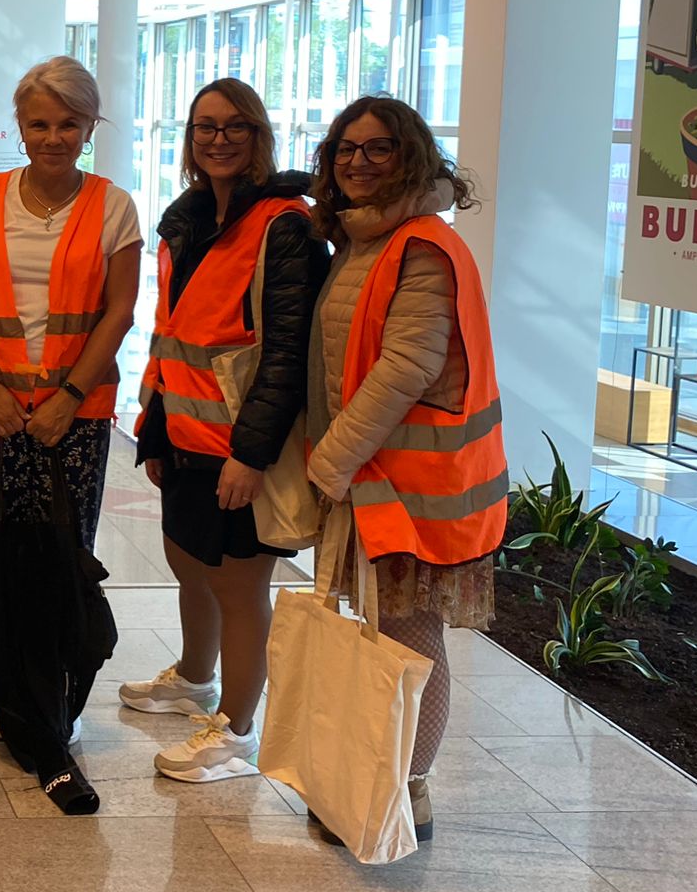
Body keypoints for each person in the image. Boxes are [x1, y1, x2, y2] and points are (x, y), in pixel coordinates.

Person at [305, 95, 507, 844]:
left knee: (413, 638)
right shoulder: (365, 240)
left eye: (378, 148)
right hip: (378, 480)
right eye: (346, 149)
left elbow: (406, 369)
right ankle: (384, 778)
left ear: (411, 155)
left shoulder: (420, 245)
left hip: (417, 490)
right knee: (389, 634)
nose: (358, 161)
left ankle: (408, 793)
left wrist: (330, 461)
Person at [0, 56, 140, 814]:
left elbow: (119, 310)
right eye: (39, 122)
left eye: (69, 123)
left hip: (75, 414)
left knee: (59, 554)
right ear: (19, 126)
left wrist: (66, 395)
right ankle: (8, 694)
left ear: (90, 128)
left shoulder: (114, 207)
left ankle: (50, 704)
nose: (53, 137)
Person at [130, 78, 327, 781]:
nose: (217, 139)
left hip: (242, 449)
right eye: (204, 127)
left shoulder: (285, 226)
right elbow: (174, 334)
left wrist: (252, 455)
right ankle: (195, 677)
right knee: (190, 565)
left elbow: (286, 356)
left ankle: (238, 732)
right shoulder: (188, 220)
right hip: (184, 436)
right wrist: (154, 429)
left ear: (259, 136)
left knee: (241, 587)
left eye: (234, 127)